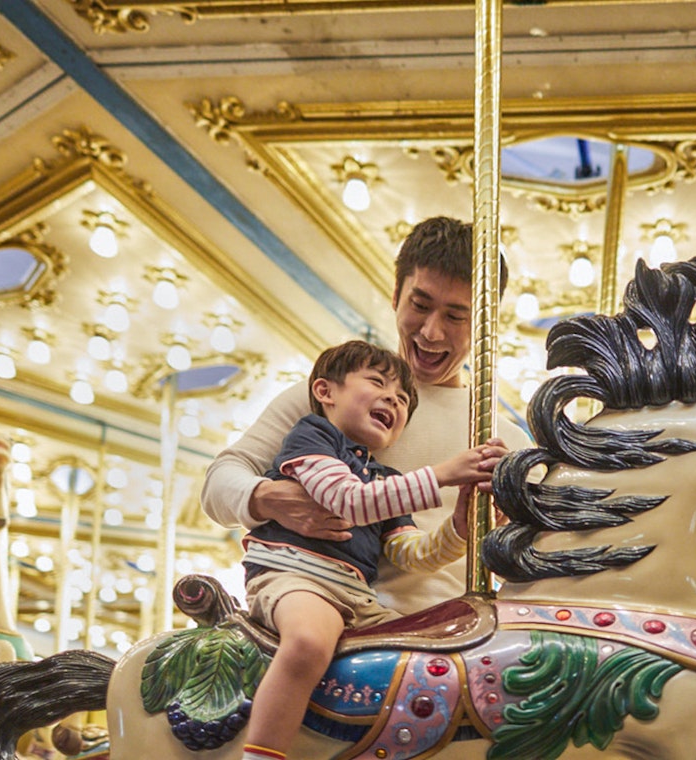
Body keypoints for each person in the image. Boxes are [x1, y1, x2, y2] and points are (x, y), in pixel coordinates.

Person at [202, 216, 533, 614]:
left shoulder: (507, 441)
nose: (431, 332)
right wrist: (266, 498)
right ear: (396, 294)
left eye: (455, 316)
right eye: (420, 305)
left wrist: (471, 531)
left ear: (484, 323)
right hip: (331, 609)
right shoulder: (333, 395)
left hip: (452, 625)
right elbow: (219, 482)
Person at [240, 340, 502, 760]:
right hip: (297, 576)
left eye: (401, 400)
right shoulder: (313, 438)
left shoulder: (383, 477)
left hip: (356, 596)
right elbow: (347, 499)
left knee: (428, 659)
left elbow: (408, 554)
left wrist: (460, 529)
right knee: (308, 641)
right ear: (325, 391)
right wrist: (443, 475)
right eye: (377, 384)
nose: (392, 400)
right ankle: (262, 755)